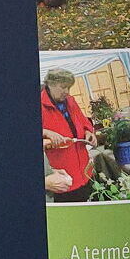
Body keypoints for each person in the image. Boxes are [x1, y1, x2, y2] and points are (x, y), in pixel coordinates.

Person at [41, 70, 96, 201]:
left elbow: (83, 121)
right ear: (50, 84)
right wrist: (46, 132)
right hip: (63, 176)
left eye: (69, 87)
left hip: (85, 170)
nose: (67, 91)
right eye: (63, 87)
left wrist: (88, 132)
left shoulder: (70, 101)